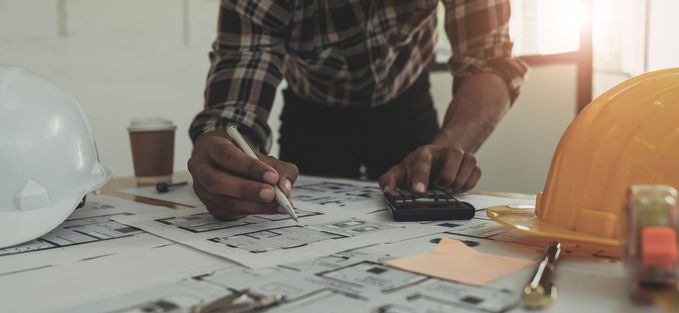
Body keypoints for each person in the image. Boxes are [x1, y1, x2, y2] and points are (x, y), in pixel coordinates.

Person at [187, 0, 528, 220]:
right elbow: (240, 79)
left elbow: (489, 59)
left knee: (424, 221)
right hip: (314, 114)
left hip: (408, 104)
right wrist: (220, 148)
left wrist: (451, 144)